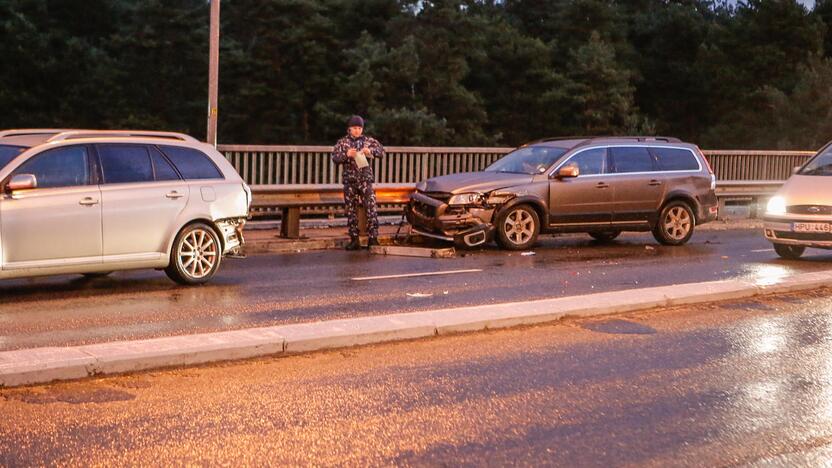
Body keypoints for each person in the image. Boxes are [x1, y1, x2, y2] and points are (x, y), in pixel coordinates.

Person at [331, 115, 385, 250]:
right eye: (355, 128)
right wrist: (346, 154)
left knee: (371, 208)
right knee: (351, 211)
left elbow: (382, 152)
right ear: (349, 129)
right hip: (350, 181)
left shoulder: (368, 141)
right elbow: (335, 158)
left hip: (365, 180)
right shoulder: (343, 142)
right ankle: (354, 239)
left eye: (359, 128)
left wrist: (370, 151)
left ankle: (373, 238)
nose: (357, 131)